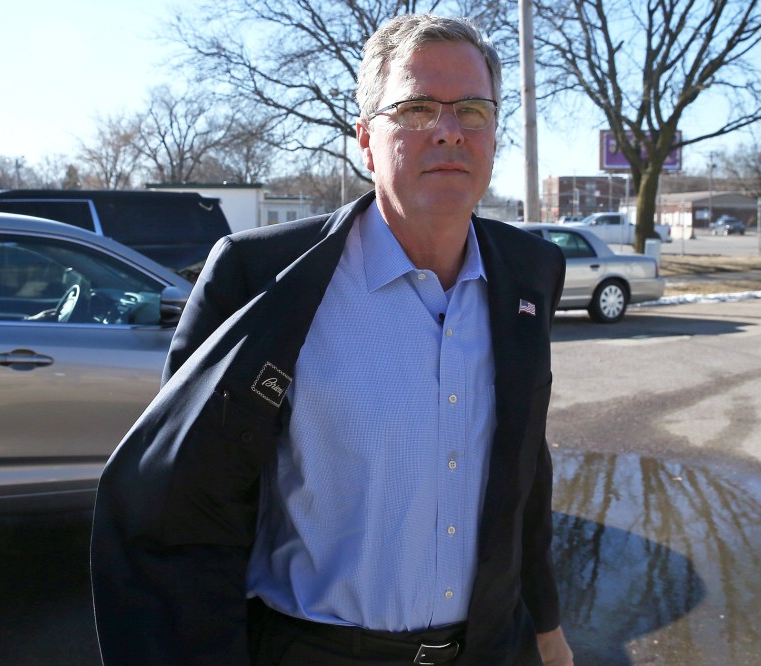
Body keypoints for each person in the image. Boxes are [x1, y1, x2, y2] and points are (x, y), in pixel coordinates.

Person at [92, 13, 573, 666]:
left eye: (473, 110)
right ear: (365, 142)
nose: (449, 130)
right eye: (416, 107)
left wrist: (544, 623)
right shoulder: (261, 279)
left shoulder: (528, 273)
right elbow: (187, 507)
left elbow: (524, 469)